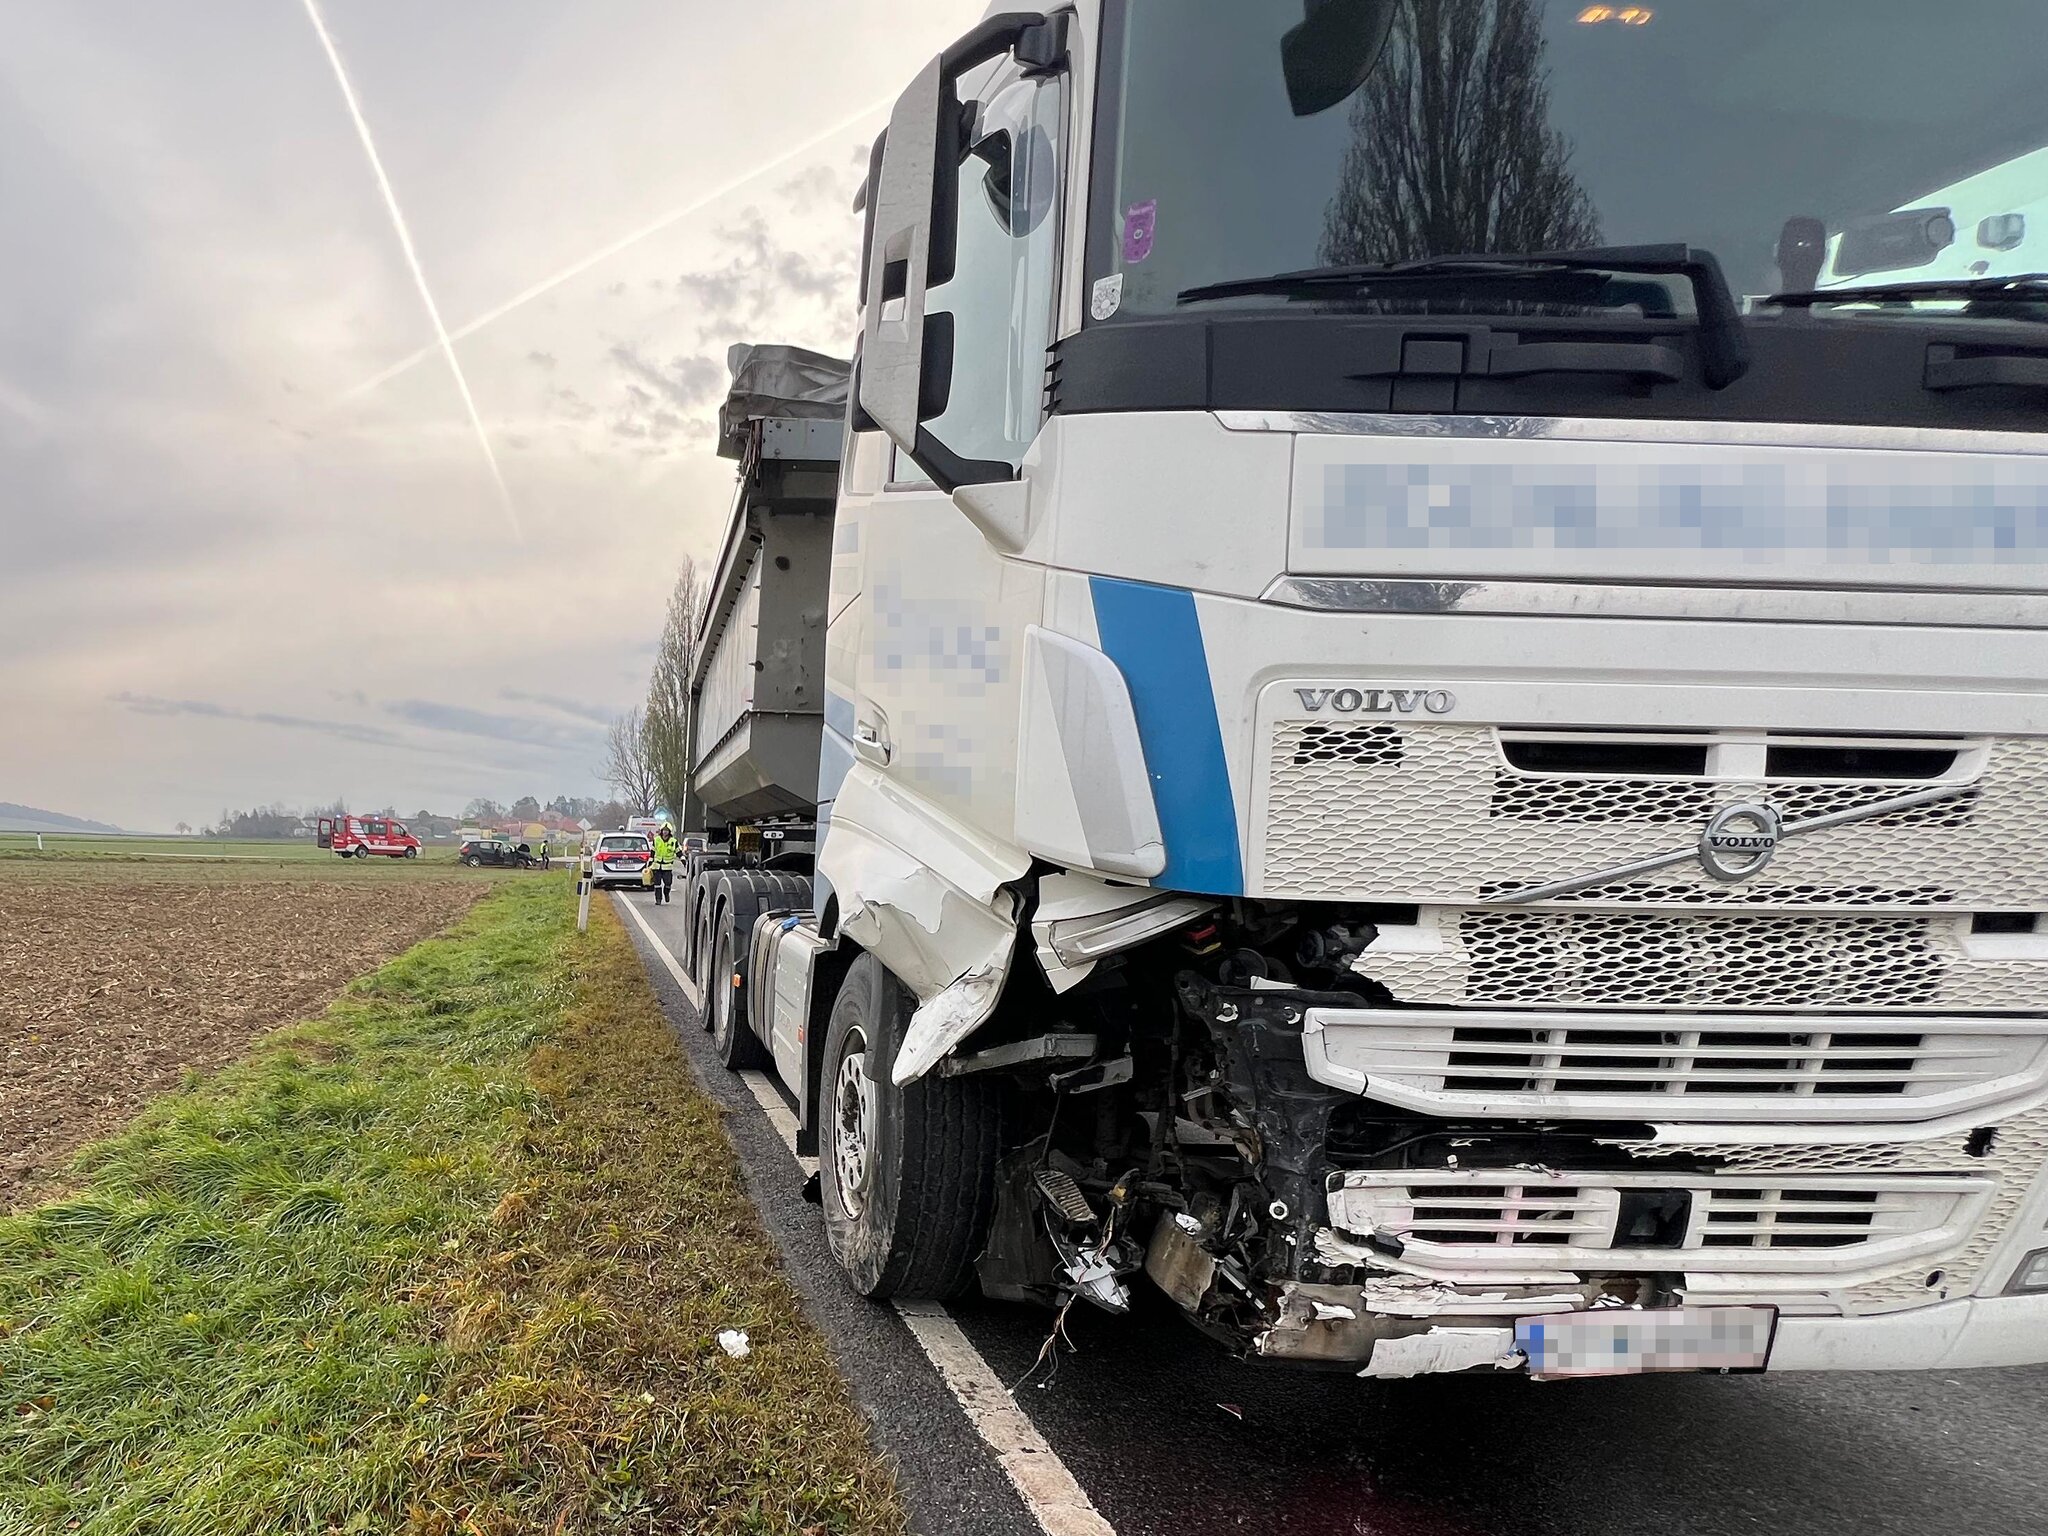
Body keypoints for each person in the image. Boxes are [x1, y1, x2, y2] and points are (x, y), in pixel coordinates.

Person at [651, 824, 678, 905]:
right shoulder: (656, 840)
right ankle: (658, 899)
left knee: (668, 883)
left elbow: (678, 851)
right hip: (657, 865)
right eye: (663, 830)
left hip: (667, 866)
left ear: (669, 832)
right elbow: (652, 851)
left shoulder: (673, 841)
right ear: (661, 831)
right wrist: (650, 861)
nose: (665, 832)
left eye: (666, 831)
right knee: (657, 884)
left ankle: (666, 893)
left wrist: (683, 859)